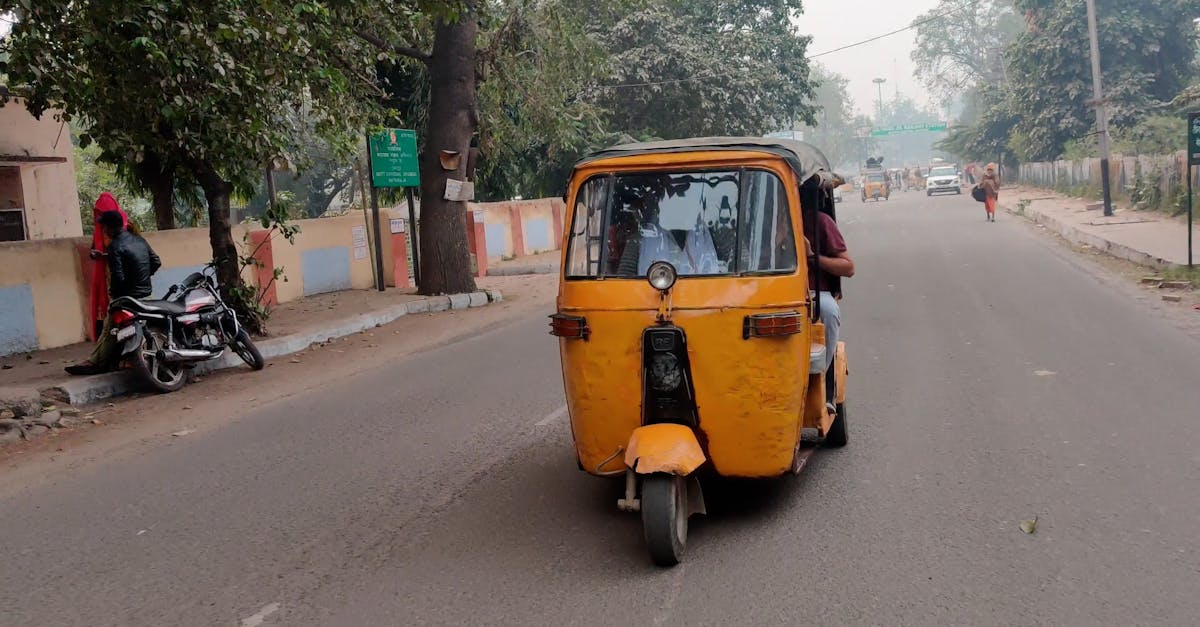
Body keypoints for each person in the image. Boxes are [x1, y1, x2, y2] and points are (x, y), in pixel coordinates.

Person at [67, 210, 161, 375]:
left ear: (108, 229)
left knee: (109, 329)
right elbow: (156, 261)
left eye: (103, 227)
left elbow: (118, 277)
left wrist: (116, 298)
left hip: (127, 298)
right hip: (146, 294)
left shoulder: (115, 246)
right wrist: (143, 277)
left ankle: (97, 362)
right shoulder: (139, 240)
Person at [804, 210, 854, 384]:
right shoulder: (760, 222)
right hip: (769, 290)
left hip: (813, 292)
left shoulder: (820, 221)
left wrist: (811, 256)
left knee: (829, 310)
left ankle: (821, 381)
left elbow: (848, 267)